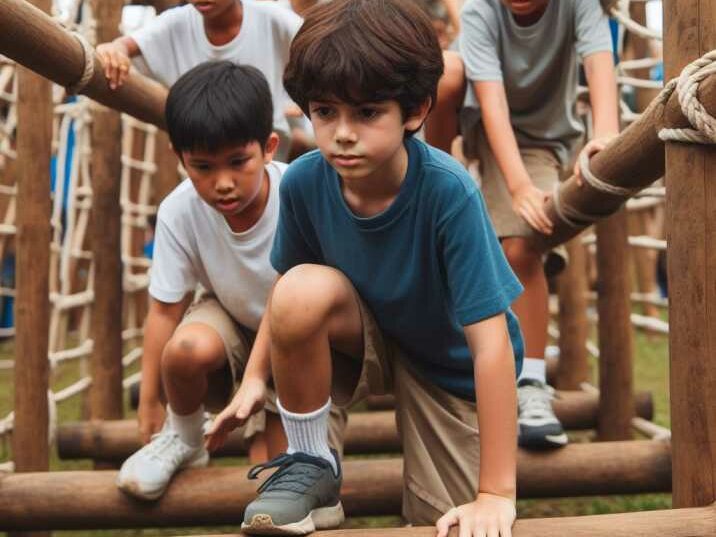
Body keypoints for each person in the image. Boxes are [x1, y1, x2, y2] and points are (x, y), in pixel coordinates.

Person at [206, 1, 524, 534]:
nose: (343, 133)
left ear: (416, 110)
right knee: (305, 288)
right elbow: (287, 291)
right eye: (326, 112)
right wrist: (254, 378)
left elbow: (489, 345)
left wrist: (495, 492)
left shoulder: (449, 193)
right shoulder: (307, 181)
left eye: (368, 112)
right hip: (365, 337)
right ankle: (314, 470)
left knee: (442, 520)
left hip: (449, 365)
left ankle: (463, 484)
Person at [116, 61, 345, 501]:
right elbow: (165, 310)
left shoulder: (297, 194)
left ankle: (293, 444)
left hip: (301, 336)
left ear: (269, 147)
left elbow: (296, 295)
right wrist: (150, 401)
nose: (223, 183)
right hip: (231, 314)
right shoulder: (179, 211)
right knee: (183, 350)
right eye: (202, 167)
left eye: (238, 162)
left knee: (282, 477)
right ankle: (183, 438)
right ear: (179, 158)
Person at [428, 0, 619, 448]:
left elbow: (600, 67)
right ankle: (434, 167)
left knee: (519, 247)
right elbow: (491, 103)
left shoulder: (579, 6)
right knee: (446, 72)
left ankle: (531, 384)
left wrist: (606, 137)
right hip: (483, 130)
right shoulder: (481, 11)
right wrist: (517, 188)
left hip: (544, 139)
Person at [95, 0, 302, 161]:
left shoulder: (272, 19)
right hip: (206, 150)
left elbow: (319, 49)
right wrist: (115, 49)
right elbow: (124, 45)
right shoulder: (176, 23)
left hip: (266, 152)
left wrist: (300, 97)